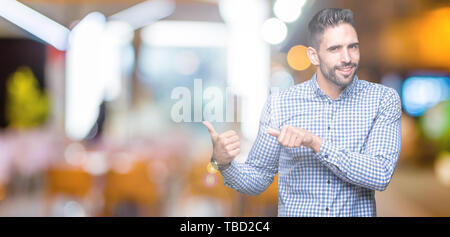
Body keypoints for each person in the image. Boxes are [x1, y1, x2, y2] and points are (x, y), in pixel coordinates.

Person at [203, 8, 401, 217]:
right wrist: (224, 164)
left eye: (352, 47)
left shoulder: (382, 100)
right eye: (334, 49)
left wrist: (316, 144)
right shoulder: (280, 103)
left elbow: (380, 174)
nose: (347, 58)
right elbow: (258, 178)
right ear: (313, 55)